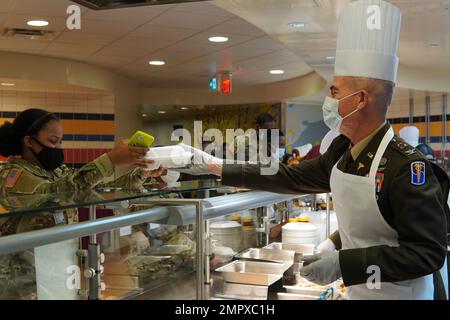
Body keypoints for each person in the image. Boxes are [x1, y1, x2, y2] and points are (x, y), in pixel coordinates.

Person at [187, 0, 449, 300]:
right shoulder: (342, 149)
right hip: (358, 292)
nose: (328, 97)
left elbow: (426, 253)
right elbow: (287, 176)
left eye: (334, 90)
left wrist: (343, 263)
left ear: (360, 99)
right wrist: (214, 165)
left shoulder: (406, 166)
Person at [0, 108, 163, 299]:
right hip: (21, 279)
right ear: (28, 141)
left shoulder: (57, 172)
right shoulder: (12, 176)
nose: (59, 148)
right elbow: (52, 192)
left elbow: (98, 192)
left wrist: (141, 174)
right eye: (53, 142)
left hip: (58, 269)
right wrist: (109, 160)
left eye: (60, 142)